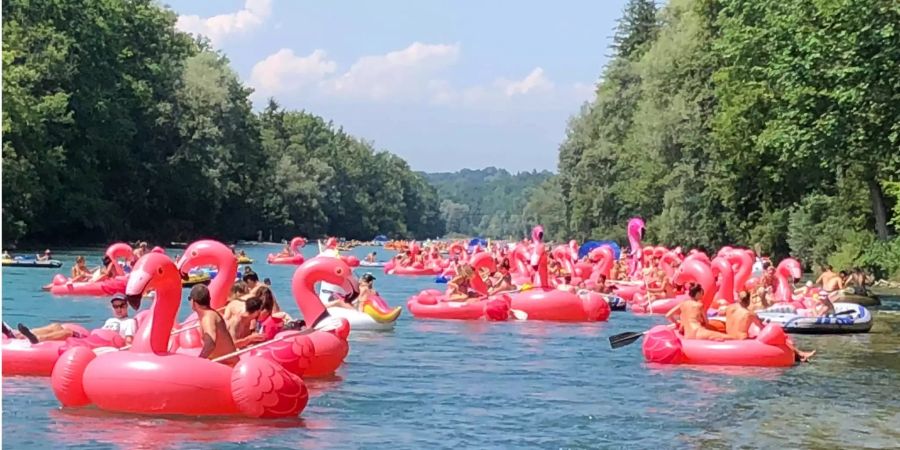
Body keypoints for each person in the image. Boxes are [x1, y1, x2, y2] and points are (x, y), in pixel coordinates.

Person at [725, 288, 815, 362]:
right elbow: (762, 329)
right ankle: (800, 353)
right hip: (742, 341)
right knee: (778, 336)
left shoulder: (728, 308)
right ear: (748, 300)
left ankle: (799, 354)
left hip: (729, 339)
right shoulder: (750, 314)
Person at [191, 284, 237, 364]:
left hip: (227, 365)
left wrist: (198, 362)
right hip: (223, 362)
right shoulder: (210, 314)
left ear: (193, 302)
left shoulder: (207, 318)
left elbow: (210, 343)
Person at [664, 285, 729, 340]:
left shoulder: (683, 303)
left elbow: (668, 315)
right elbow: (706, 322)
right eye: (702, 293)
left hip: (688, 336)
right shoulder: (699, 305)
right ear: (698, 293)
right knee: (729, 337)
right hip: (698, 332)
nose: (702, 296)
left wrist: (677, 323)